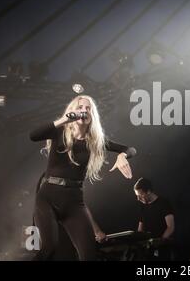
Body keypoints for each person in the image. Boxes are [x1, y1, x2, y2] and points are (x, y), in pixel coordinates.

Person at [29, 95, 136, 261]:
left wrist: (122, 155)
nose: (84, 111)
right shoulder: (60, 132)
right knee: (49, 249)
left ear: (92, 115)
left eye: (88, 109)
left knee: (89, 256)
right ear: (73, 111)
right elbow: (33, 135)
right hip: (48, 197)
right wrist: (63, 120)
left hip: (74, 203)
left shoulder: (95, 141)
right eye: (80, 107)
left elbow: (131, 149)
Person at [134, 178, 175, 260]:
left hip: (164, 248)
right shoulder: (142, 206)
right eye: (137, 196)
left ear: (148, 191)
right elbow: (140, 229)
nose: (138, 199)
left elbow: (170, 227)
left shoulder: (163, 203)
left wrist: (160, 241)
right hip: (147, 249)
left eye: (140, 195)